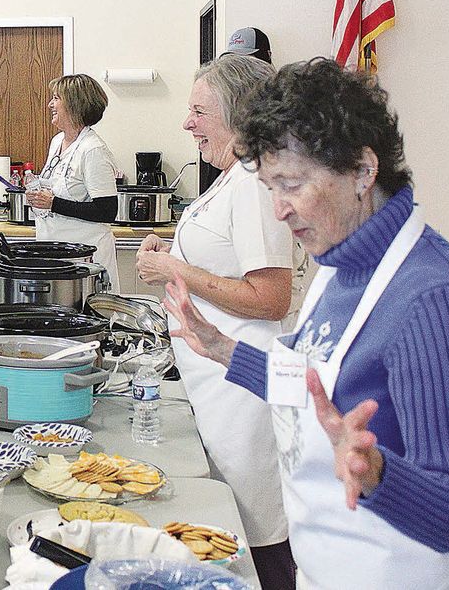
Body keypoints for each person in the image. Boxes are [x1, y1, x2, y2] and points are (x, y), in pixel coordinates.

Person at [164, 57, 449, 588]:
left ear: (363, 171)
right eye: (270, 187)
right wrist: (225, 350)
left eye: (292, 184)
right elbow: (314, 388)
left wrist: (377, 474)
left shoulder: (433, 296)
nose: (278, 210)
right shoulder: (339, 262)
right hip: (333, 566)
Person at [135, 55, 295, 589]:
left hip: (243, 391)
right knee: (233, 531)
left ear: (239, 114)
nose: (187, 124)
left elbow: (270, 296)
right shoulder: (230, 178)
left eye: (199, 111)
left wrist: (174, 267)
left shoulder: (252, 181)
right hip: (215, 380)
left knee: (258, 537)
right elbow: (222, 262)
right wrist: (174, 252)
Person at [25, 74, 121, 292]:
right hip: (56, 254)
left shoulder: (93, 149)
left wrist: (53, 203)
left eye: (56, 98)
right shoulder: (57, 141)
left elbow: (107, 211)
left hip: (87, 261)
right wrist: (37, 187)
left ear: (75, 104)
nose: (50, 103)